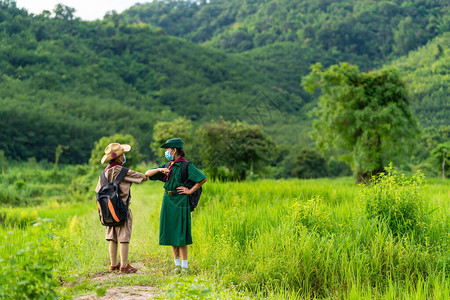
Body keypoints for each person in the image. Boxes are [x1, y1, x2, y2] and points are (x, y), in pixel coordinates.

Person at [145, 138, 207, 274]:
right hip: (168, 199)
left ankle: (185, 267)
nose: (166, 152)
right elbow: (147, 173)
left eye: (168, 150)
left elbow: (202, 178)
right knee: (172, 233)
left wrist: (190, 191)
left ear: (175, 150)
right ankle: (176, 265)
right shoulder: (168, 165)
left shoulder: (186, 165)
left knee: (181, 234)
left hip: (181, 202)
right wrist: (160, 169)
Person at [95, 142, 147, 273]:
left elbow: (98, 190)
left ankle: (113, 264)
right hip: (122, 208)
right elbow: (143, 178)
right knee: (124, 236)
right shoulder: (124, 171)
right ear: (118, 158)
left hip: (108, 210)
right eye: (123, 154)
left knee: (111, 236)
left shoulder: (103, 173)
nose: (124, 156)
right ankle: (124, 265)